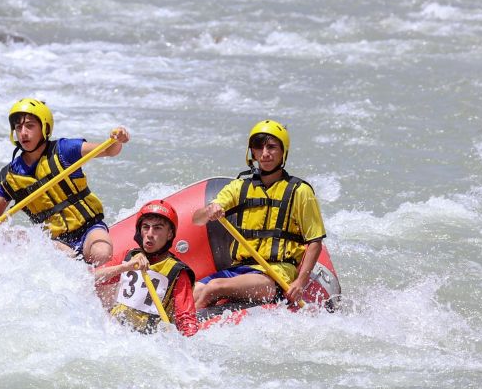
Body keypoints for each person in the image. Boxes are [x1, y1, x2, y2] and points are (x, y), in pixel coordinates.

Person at [0, 97, 128, 267]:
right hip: (54, 242)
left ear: (44, 128)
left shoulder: (64, 150)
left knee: (101, 253)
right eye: (18, 127)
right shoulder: (11, 175)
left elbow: (109, 150)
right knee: (18, 237)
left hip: (89, 228)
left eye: (30, 126)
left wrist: (117, 139)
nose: (23, 133)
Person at [191, 119, 326, 309]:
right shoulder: (239, 187)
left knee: (214, 287)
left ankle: (187, 328)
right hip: (239, 270)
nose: (265, 153)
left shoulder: (300, 191)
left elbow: (315, 242)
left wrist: (300, 282)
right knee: (191, 294)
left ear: (283, 151)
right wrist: (209, 210)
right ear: (252, 153)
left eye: (272, 147)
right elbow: (197, 219)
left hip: (276, 275)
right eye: (259, 147)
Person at [94, 200, 198, 336]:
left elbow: (186, 320)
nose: (149, 234)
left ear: (169, 234)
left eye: (157, 228)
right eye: (145, 227)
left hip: (149, 339)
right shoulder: (128, 257)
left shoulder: (178, 272)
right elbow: (91, 278)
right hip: (115, 331)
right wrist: (124, 267)